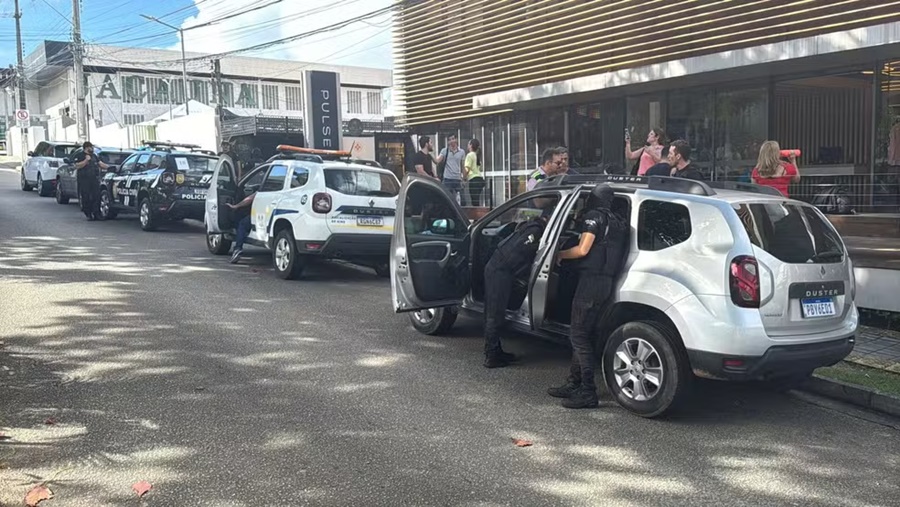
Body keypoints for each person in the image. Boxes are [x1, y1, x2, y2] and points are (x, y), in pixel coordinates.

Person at [548, 184, 628, 409]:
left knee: (578, 336)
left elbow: (583, 250)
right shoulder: (618, 222)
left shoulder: (594, 217)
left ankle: (587, 391)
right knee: (584, 334)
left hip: (590, 283)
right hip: (606, 283)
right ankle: (574, 383)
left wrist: (558, 254)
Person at [482, 181, 559, 368]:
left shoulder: (532, 227)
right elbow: (520, 253)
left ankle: (496, 351)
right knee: (495, 314)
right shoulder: (535, 231)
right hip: (499, 271)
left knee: (496, 313)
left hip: (503, 269)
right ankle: (491, 356)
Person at [72, 141, 109, 221]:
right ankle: (88, 213)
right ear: (86, 148)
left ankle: (96, 214)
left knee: (96, 196)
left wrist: (109, 167)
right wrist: (86, 160)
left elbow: (100, 164)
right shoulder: (80, 155)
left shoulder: (94, 156)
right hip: (84, 180)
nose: (92, 149)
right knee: (86, 197)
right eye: (90, 147)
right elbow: (77, 166)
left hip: (94, 179)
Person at [226, 191, 256, 264]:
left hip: (258, 216)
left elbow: (249, 199)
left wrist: (236, 206)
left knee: (242, 224)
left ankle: (238, 248)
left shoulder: (265, 190)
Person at [437, 134, 466, 203]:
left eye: (453, 139)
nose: (451, 141)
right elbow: (437, 160)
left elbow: (463, 166)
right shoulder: (444, 151)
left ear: (456, 140)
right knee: (447, 199)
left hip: (458, 178)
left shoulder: (462, 152)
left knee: (463, 200)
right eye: (449, 140)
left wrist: (464, 179)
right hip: (447, 179)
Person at [465, 138, 485, 206]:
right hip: (479, 178)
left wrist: (464, 178)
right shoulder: (477, 155)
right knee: (477, 200)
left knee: (474, 200)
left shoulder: (469, 155)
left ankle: (476, 212)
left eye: (468, 144)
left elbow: (467, 168)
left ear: (471, 145)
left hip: (473, 179)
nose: (467, 145)